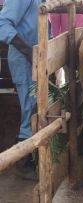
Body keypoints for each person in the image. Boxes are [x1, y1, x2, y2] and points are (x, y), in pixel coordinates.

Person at [0, 0, 41, 179]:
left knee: (37, 106)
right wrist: (28, 50)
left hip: (36, 57)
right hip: (25, 59)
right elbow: (2, 24)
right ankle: (23, 162)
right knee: (30, 108)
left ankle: (32, 158)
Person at [48, 13, 83, 86]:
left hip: (69, 41)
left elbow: (55, 27)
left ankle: (72, 93)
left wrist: (57, 45)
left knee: (70, 76)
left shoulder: (56, 2)